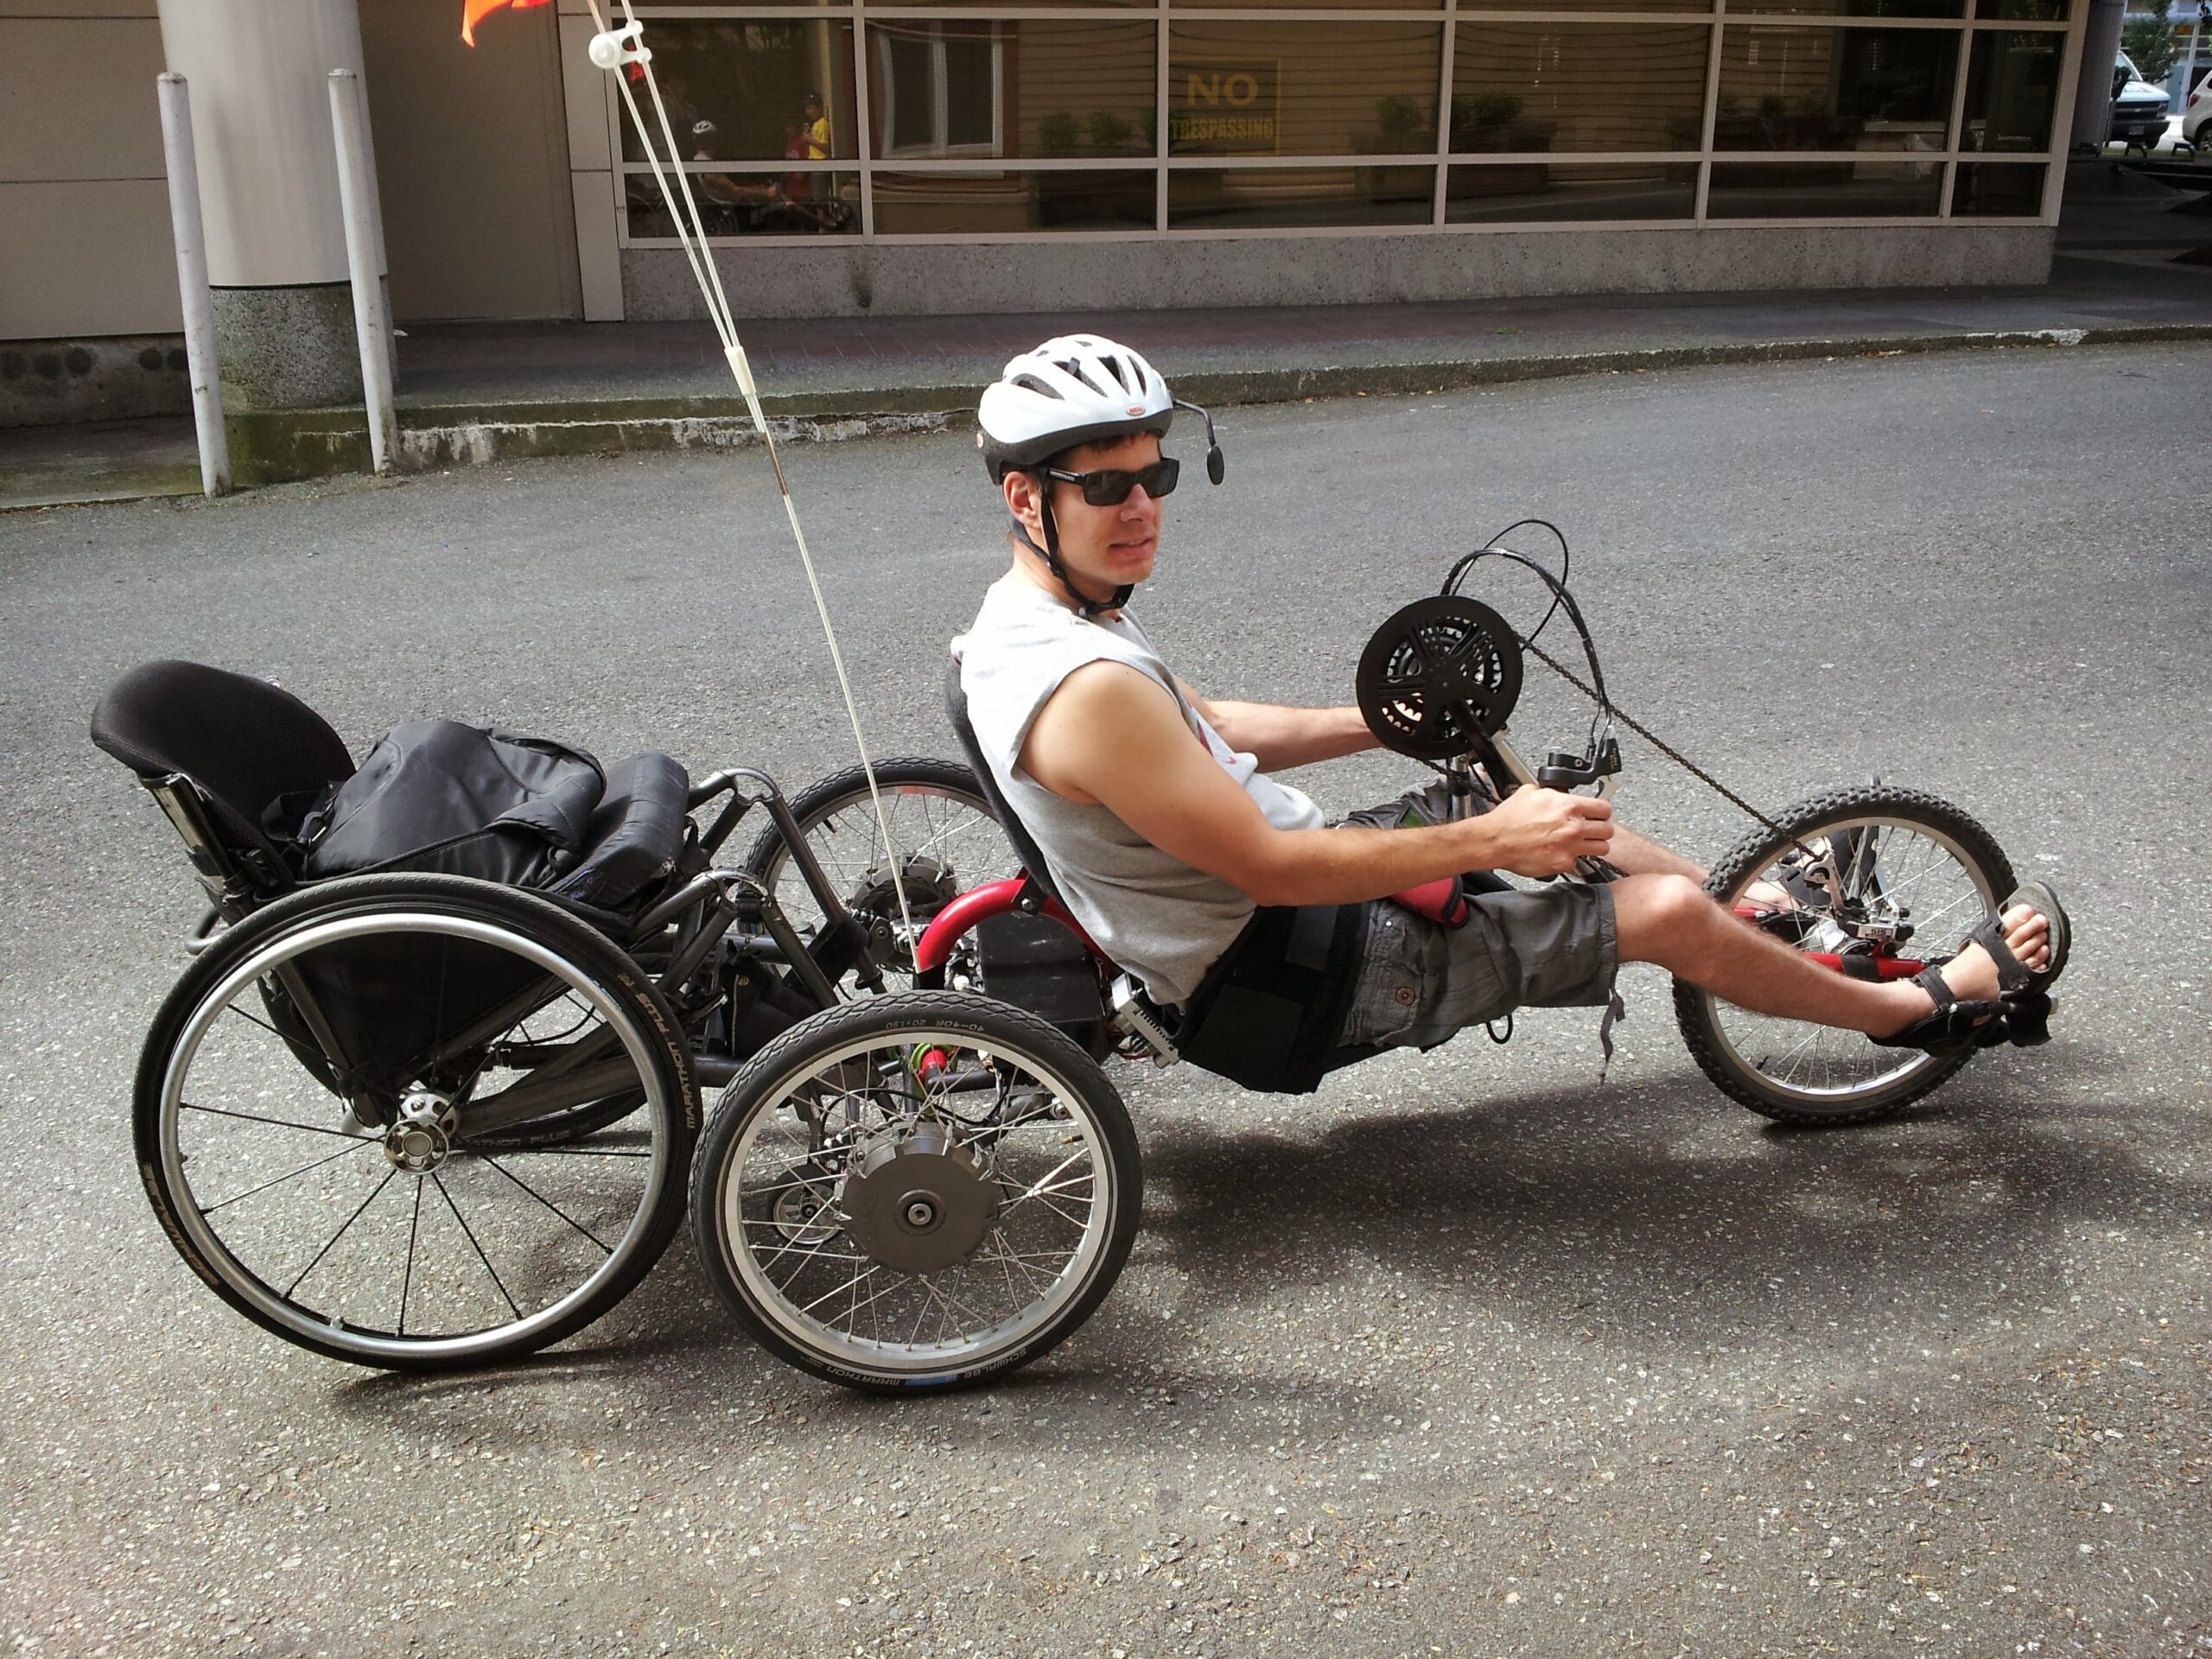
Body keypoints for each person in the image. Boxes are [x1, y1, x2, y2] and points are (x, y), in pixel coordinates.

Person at [950, 334, 2069, 1083]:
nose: (1143, 507)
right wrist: (1495, 840)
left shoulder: (1044, 623)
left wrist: (1380, 718)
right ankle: (1923, 1008)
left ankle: (1759, 907)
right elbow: (1272, 872)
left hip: (1274, 935)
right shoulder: (1088, 690)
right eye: (1107, 487)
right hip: (1289, 980)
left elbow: (1218, 730)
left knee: (1532, 803)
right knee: (1649, 914)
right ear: (1026, 495)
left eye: (1156, 477)